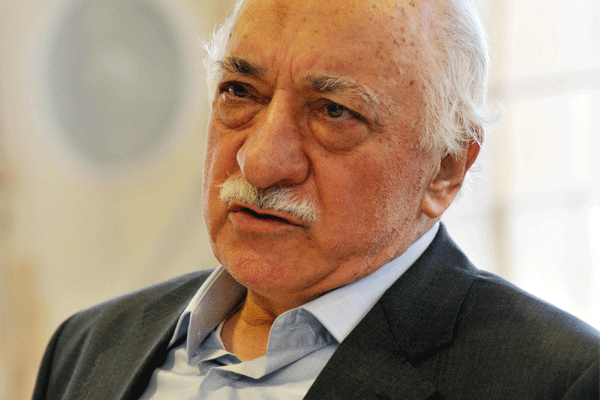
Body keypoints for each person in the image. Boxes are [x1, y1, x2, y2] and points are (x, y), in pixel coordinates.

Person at [33, 0, 600, 398]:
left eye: (334, 112)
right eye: (240, 92)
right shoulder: (87, 349)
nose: (260, 161)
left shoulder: (554, 380)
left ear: (445, 170)